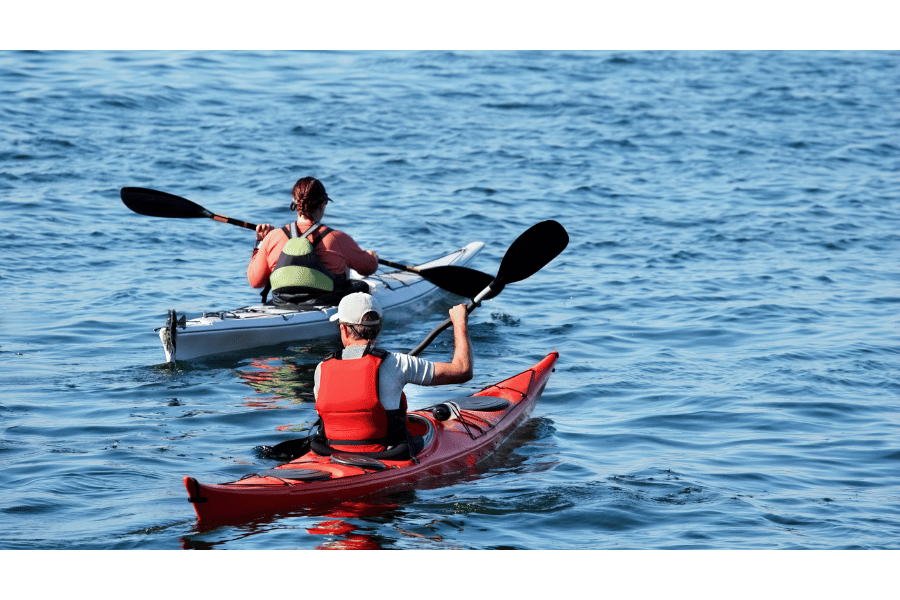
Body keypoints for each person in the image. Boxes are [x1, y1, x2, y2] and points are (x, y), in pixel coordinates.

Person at [312, 292, 473, 459]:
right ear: (378, 328)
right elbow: (462, 370)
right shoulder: (396, 363)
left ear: (344, 330)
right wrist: (460, 323)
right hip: (386, 457)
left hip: (332, 455)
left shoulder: (321, 369)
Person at [248, 177, 379, 305]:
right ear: (321, 205)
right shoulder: (337, 238)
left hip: (282, 304)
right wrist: (371, 257)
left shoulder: (272, 237)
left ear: (295, 204)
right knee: (358, 283)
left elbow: (255, 281)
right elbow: (368, 268)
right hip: (325, 302)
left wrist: (260, 242)